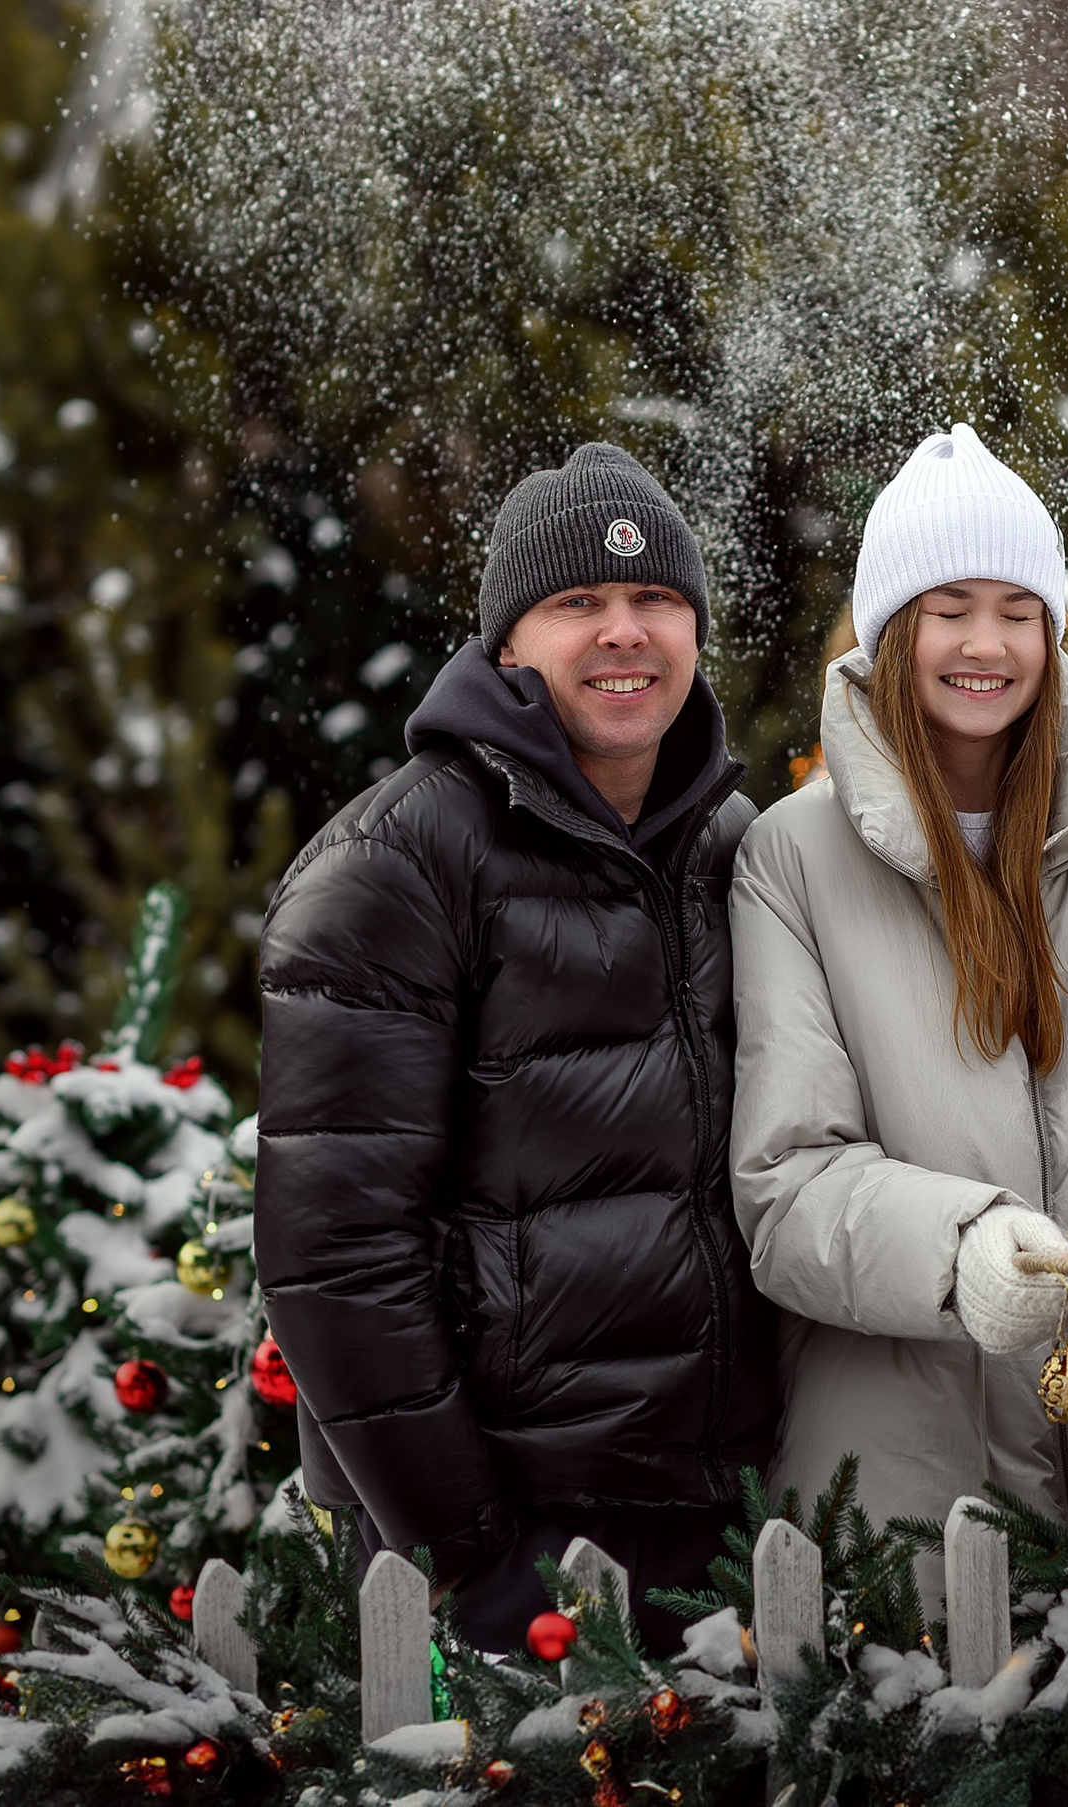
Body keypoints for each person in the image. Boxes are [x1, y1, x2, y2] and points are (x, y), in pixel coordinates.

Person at [255, 443, 776, 1655]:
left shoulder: (733, 846)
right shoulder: (394, 865)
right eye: (576, 603)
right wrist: (470, 1555)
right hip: (511, 1526)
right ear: (506, 645)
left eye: (654, 600)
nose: (623, 633)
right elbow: (335, 1249)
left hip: (716, 1512)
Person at [730, 424, 1068, 1540]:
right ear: (891, 629)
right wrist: (960, 1249)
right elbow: (785, 1184)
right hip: (900, 1483)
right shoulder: (792, 860)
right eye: (948, 609)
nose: (985, 643)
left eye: (1018, 611)